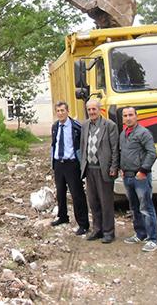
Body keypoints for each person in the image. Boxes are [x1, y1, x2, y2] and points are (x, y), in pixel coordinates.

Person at [119, 106, 157, 252]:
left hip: (140, 177)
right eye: (125, 115)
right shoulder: (123, 134)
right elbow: (122, 153)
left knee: (146, 208)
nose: (128, 118)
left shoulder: (143, 133)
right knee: (134, 207)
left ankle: (153, 239)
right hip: (128, 176)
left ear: (137, 116)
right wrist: (122, 169)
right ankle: (140, 234)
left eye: (131, 115)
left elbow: (152, 153)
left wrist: (143, 170)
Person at [79, 99, 119, 243]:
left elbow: (115, 148)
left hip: (104, 170)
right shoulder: (85, 126)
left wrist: (114, 167)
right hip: (89, 169)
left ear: (100, 110)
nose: (91, 112)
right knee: (93, 201)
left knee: (106, 202)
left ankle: (109, 231)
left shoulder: (109, 126)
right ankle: (97, 229)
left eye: (94, 109)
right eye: (89, 110)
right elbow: (83, 145)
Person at [50, 101, 89, 235]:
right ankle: (63, 216)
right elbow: (53, 144)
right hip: (58, 163)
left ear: (67, 111)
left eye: (62, 110)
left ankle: (83, 223)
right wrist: (53, 162)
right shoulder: (55, 126)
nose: (60, 113)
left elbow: (82, 145)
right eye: (58, 111)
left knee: (77, 194)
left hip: (72, 164)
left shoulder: (76, 127)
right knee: (60, 192)